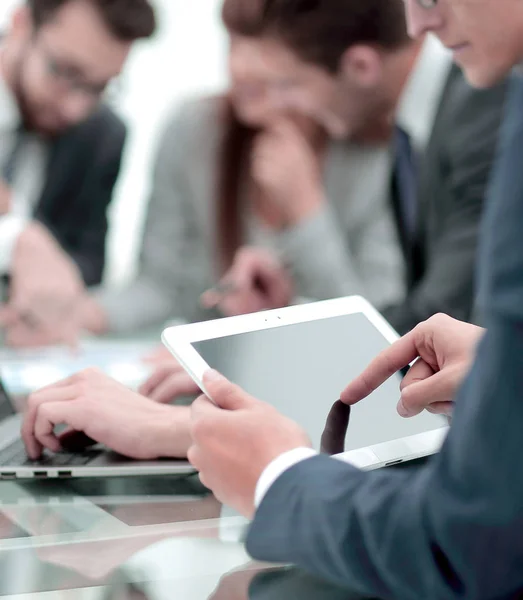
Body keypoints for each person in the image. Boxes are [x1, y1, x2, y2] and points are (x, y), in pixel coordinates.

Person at [182, 0, 523, 597]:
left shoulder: (495, 108)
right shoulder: (439, 114)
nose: (416, 25)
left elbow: (467, 547)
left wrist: (276, 477)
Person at [80, 0, 419, 337]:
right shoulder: (195, 130)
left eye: (259, 43)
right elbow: (161, 286)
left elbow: (377, 329)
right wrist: (83, 314)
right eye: (233, 40)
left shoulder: (378, 154)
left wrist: (306, 214)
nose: (240, 66)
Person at [0, 0, 156, 348]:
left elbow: (87, 264)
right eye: (65, 72)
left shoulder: (102, 134)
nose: (75, 108)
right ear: (22, 23)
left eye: (99, 87)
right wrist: (17, 236)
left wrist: (42, 311)